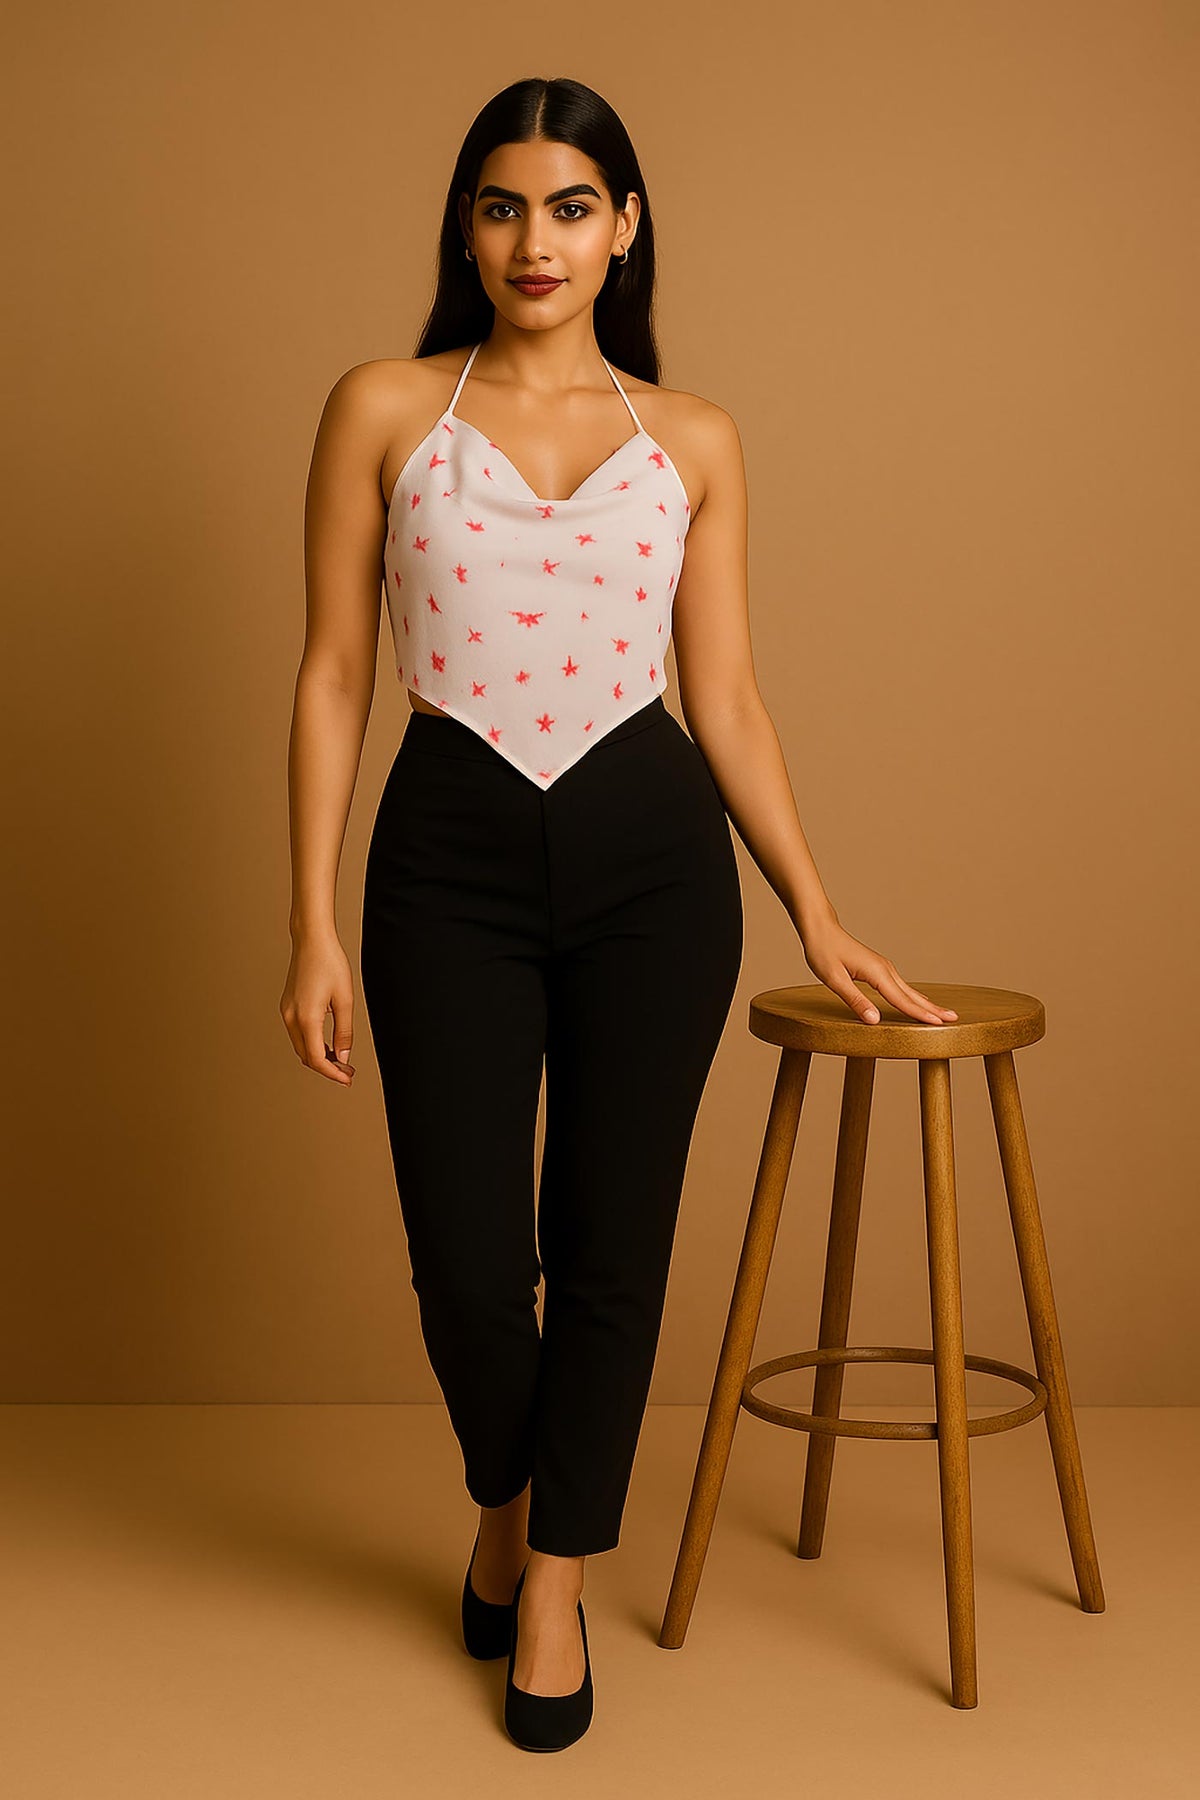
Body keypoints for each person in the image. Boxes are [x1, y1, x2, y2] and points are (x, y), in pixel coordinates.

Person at [279, 75, 958, 1753]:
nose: (538, 240)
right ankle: (506, 1505)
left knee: (612, 1247)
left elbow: (724, 699)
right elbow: (335, 672)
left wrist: (814, 908)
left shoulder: (693, 439)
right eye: (504, 206)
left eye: (572, 207)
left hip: (654, 863)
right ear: (467, 227)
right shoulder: (383, 408)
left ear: (625, 227)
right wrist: (311, 923)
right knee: (465, 1258)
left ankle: (553, 1581)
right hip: (444, 856)